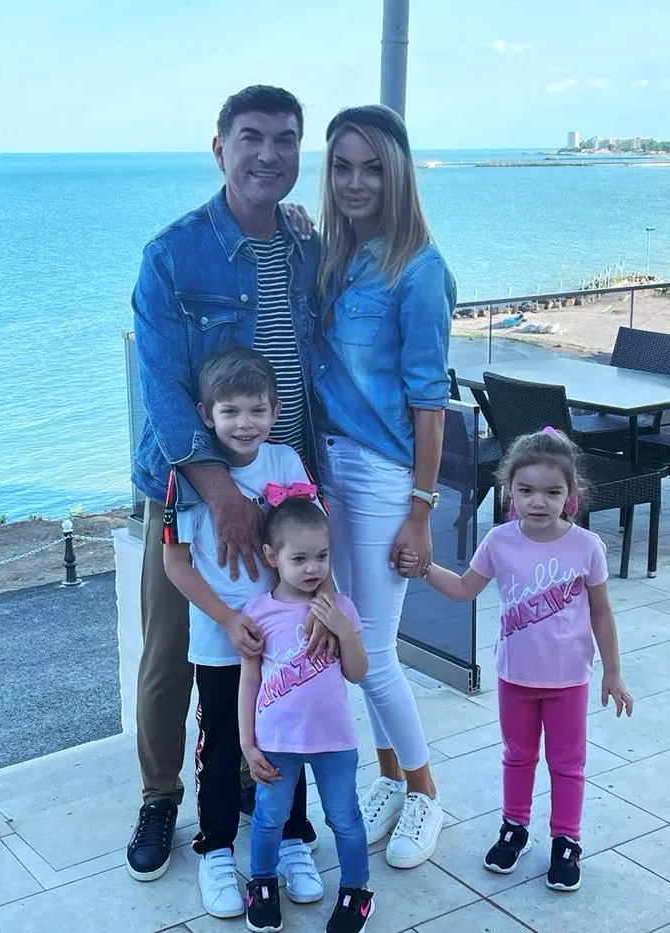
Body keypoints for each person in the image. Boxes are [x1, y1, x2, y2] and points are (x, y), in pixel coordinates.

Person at [127, 84, 331, 883]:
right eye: (251, 138)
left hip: (284, 491)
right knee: (174, 652)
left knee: (274, 642)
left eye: (285, 140)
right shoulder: (173, 255)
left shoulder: (306, 247)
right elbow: (162, 387)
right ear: (220, 148)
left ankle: (253, 773)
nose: (268, 155)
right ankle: (159, 795)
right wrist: (219, 495)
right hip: (191, 490)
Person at [312, 104, 456, 869]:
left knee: (371, 646)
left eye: (372, 166)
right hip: (327, 468)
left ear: (397, 173)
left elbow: (431, 405)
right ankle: (392, 779)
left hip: (379, 477)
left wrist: (421, 513)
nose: (356, 181)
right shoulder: (333, 258)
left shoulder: (420, 271)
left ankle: (427, 790)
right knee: (351, 642)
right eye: (342, 166)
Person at [401, 427, 634, 892]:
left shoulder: (587, 547)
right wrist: (424, 568)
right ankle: (514, 827)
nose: (538, 502)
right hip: (515, 678)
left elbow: (601, 613)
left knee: (567, 763)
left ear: (570, 494)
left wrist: (613, 670)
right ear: (509, 489)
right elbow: (464, 589)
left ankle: (566, 840)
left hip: (568, 681)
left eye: (552, 492)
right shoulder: (499, 542)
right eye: (526, 491)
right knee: (518, 756)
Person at [162, 346, 324, 916]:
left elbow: (313, 542)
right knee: (223, 744)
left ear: (275, 411)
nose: (244, 423)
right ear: (206, 415)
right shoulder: (187, 476)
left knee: (288, 738)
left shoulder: (285, 463)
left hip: (287, 640)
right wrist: (228, 618)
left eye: (257, 410)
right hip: (219, 641)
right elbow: (175, 564)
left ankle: (293, 838)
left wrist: (323, 609)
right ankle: (215, 849)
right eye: (230, 411)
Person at [239, 497, 373, 933]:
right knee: (269, 816)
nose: (313, 568)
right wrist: (247, 743)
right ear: (271, 556)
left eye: (322, 556)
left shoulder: (341, 608)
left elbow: (357, 672)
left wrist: (343, 630)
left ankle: (356, 891)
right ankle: (262, 883)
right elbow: (249, 681)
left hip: (334, 740)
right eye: (299, 559)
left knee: (344, 817)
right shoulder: (258, 612)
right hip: (277, 742)